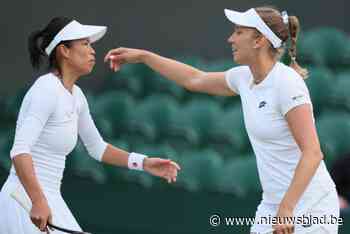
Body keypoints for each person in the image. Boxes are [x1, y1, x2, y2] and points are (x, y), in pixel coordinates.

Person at [105, 6, 339, 234]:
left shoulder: (287, 83)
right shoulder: (243, 78)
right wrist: (145, 57)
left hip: (312, 206)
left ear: (259, 41)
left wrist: (287, 207)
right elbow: (194, 79)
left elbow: (313, 152)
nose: (230, 39)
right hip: (274, 206)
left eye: (238, 32)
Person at [0, 17, 180, 234]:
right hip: (23, 201)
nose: (93, 51)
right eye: (85, 44)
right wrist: (38, 200)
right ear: (64, 51)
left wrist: (144, 163)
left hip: (49, 200)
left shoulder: (76, 96)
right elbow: (20, 151)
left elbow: (97, 148)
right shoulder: (45, 89)